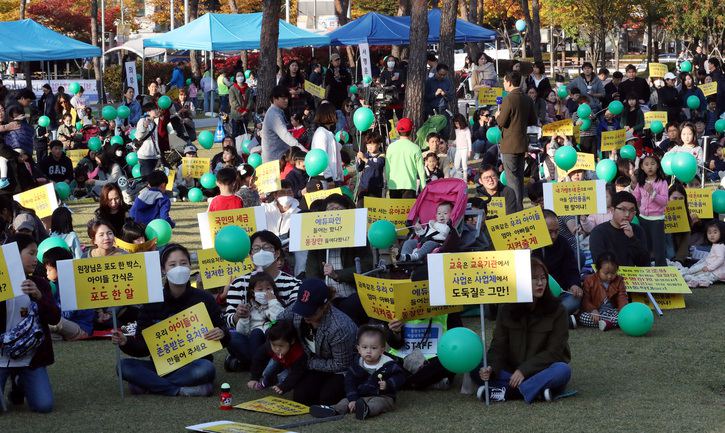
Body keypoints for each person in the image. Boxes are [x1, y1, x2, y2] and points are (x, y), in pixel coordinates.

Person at [111, 244, 229, 396]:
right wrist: (125, 343)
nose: (179, 268)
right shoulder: (153, 302)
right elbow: (142, 347)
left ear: (190, 266)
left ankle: (149, 384)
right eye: (172, 265)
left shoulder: (204, 298)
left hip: (194, 365)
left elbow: (225, 336)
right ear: (163, 269)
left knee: (206, 369)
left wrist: (222, 333)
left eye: (184, 263)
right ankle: (181, 390)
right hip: (161, 366)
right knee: (123, 366)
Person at [473, 257, 571, 403]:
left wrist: (524, 370)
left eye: (543, 278)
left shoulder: (558, 310)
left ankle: (507, 392)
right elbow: (499, 344)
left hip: (541, 370)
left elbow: (554, 352)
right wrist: (490, 368)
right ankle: (537, 391)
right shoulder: (506, 308)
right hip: (510, 371)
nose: (540, 283)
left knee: (562, 370)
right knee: (476, 367)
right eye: (534, 279)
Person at [224, 231, 302, 370]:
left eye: (266, 248)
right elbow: (228, 319)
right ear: (250, 255)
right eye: (256, 249)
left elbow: (294, 317)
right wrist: (238, 315)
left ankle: (246, 363)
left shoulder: (293, 283)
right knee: (231, 338)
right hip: (248, 334)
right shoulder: (239, 283)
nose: (261, 252)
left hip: (279, 338)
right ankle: (267, 364)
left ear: (277, 253)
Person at [0, 234, 61, 413]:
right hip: (2, 358)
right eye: (31, 253)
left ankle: (20, 381)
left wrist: (39, 297)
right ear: (13, 254)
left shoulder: (40, 283)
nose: (36, 259)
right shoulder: (3, 283)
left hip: (31, 357)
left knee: (44, 405)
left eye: (36, 254)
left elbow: (54, 317)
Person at [277, 278, 357, 405]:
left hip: (341, 369)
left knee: (327, 398)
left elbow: (341, 364)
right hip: (315, 363)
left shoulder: (339, 327)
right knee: (301, 397)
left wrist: (307, 362)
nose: (305, 315)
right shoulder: (297, 311)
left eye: (311, 311)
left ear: (324, 306)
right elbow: (280, 319)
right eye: (302, 309)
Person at [310, 325, 406, 420]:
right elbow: (349, 383)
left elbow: (400, 376)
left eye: (374, 348)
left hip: (382, 396)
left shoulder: (388, 364)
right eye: (364, 347)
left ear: (382, 350)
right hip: (360, 395)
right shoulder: (356, 365)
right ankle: (333, 410)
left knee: (377, 403)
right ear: (359, 349)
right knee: (345, 401)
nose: (369, 351)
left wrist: (388, 384)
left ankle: (366, 410)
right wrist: (353, 399)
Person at [306, 194, 372, 325]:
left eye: (338, 209)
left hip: (352, 295)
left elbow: (367, 266)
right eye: (330, 209)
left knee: (350, 306)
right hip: (326, 298)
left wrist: (337, 274)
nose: (334, 214)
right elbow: (311, 274)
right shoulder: (315, 241)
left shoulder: (358, 236)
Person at [496, 71, 537, 212]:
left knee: (512, 180)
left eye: (504, 81)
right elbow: (533, 120)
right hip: (522, 143)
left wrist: (497, 115)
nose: (503, 84)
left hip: (509, 144)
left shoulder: (509, 99)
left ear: (509, 82)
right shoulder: (527, 98)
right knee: (518, 179)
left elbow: (501, 121)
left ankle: (515, 211)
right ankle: (518, 208)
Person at [533, 210, 583, 318]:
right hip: (535, 296)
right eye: (549, 232)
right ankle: (558, 317)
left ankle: (548, 317)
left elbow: (571, 268)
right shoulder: (530, 246)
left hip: (560, 294)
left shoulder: (563, 243)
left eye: (556, 231)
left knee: (575, 300)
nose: (553, 236)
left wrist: (574, 284)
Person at [234, 272, 284, 367]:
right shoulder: (249, 307)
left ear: (273, 289)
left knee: (269, 331)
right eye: (260, 289)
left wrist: (273, 302)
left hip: (271, 343)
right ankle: (255, 364)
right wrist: (244, 318)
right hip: (253, 342)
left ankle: (252, 364)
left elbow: (281, 322)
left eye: (268, 289)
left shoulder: (277, 305)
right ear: (253, 292)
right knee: (238, 336)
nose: (265, 292)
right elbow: (241, 332)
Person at [43, 247, 94, 340]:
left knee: (54, 323)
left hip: (81, 328)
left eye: (49, 270)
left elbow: (66, 314)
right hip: (70, 326)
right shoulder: (57, 284)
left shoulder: (72, 284)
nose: (47, 273)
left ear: (60, 268)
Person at [589, 191, 650, 266]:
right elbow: (599, 263)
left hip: (634, 276)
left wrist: (632, 238)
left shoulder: (638, 230)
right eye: (623, 209)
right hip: (609, 276)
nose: (627, 214)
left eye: (631, 210)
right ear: (612, 210)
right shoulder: (599, 232)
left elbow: (644, 263)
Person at [248, 320, 307, 392]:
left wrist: (284, 386)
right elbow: (258, 358)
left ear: (292, 341)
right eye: (274, 345)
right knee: (266, 372)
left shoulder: (298, 354)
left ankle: (276, 383)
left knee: (283, 378)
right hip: (280, 361)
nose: (277, 349)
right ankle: (266, 382)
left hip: (291, 366)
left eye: (281, 346)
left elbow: (297, 373)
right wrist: (254, 378)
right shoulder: (269, 346)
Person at [632, 154, 668, 266]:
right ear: (642, 167)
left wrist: (653, 193)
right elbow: (635, 198)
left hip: (657, 219)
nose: (650, 167)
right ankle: (645, 267)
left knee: (658, 247)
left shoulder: (662, 182)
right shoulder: (641, 183)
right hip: (643, 218)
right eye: (646, 164)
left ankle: (661, 268)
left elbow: (664, 201)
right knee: (644, 245)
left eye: (653, 164)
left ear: (658, 166)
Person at [578, 252, 628, 330]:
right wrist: (593, 310)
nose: (610, 276)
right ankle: (609, 324)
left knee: (621, 316)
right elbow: (585, 299)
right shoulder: (589, 280)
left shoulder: (619, 280)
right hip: (595, 311)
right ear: (598, 269)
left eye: (613, 273)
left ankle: (606, 323)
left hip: (611, 312)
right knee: (583, 317)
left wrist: (622, 312)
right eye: (606, 273)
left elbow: (622, 297)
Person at [672, 220, 725, 287]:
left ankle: (695, 280)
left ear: (722, 233)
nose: (712, 235)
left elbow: (720, 259)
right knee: (696, 270)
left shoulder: (719, 246)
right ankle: (688, 276)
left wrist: (709, 268)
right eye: (709, 233)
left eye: (715, 232)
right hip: (710, 265)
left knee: (702, 274)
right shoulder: (717, 244)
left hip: (715, 270)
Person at [261, 85, 306, 163]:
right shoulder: (274, 114)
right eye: (283, 98)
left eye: (287, 98)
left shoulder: (277, 111)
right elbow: (284, 135)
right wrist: (301, 148)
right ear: (275, 99)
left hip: (277, 157)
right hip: (273, 160)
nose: (286, 101)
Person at [384, 118, 427, 198]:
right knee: (408, 210)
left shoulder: (391, 147)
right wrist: (423, 189)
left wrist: (388, 183)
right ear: (411, 130)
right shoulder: (416, 148)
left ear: (397, 130)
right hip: (409, 185)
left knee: (396, 210)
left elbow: (387, 169)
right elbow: (421, 171)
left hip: (394, 185)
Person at [310, 103, 343, 185]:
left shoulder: (327, 132)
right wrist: (329, 178)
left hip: (329, 178)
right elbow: (321, 158)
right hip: (324, 180)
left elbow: (333, 151)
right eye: (334, 113)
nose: (336, 116)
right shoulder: (321, 133)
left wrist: (341, 142)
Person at [356, 133, 385, 202]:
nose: (369, 147)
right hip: (363, 186)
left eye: (372, 144)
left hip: (376, 188)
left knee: (374, 209)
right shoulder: (365, 155)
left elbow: (377, 166)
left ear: (378, 145)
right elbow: (359, 169)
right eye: (368, 144)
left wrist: (365, 159)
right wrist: (359, 160)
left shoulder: (381, 156)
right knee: (360, 208)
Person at [136, 102, 161, 177]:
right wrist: (144, 126)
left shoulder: (154, 122)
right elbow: (139, 136)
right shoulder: (142, 121)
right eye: (154, 109)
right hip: (145, 156)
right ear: (148, 111)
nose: (156, 111)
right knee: (147, 180)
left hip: (154, 155)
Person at [229, 71, 253, 139]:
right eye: (238, 76)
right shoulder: (232, 89)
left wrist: (246, 110)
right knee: (235, 133)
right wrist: (241, 110)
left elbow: (250, 100)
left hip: (246, 114)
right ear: (236, 78)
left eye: (241, 75)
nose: (240, 77)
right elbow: (232, 101)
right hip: (236, 114)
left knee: (244, 133)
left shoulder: (248, 89)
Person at [451, 114, 472, 180]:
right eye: (455, 124)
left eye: (458, 124)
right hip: (458, 149)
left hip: (465, 149)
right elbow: (457, 139)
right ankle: (459, 176)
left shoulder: (466, 130)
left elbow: (469, 140)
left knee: (464, 164)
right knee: (456, 165)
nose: (457, 125)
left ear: (462, 122)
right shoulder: (457, 130)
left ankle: (465, 179)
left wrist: (469, 150)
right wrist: (453, 143)